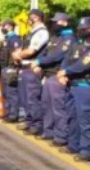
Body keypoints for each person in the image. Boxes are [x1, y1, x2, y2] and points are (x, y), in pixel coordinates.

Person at [30, 12, 76, 142]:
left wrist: (39, 62)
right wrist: (38, 62)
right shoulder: (55, 37)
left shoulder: (69, 38)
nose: (54, 24)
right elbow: (45, 52)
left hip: (57, 75)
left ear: (64, 22)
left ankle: (61, 135)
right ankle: (48, 131)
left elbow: (58, 55)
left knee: (58, 107)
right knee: (46, 104)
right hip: (48, 75)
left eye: (57, 22)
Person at [12, 9, 50, 135]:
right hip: (24, 67)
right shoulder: (31, 32)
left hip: (32, 69)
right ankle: (29, 121)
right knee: (24, 97)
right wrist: (17, 54)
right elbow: (24, 48)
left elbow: (31, 51)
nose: (29, 19)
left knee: (32, 97)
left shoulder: (42, 32)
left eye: (31, 17)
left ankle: (36, 124)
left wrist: (18, 55)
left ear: (38, 18)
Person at [57, 17, 90, 161]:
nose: (82, 31)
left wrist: (66, 72)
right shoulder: (77, 45)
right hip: (72, 84)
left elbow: (83, 64)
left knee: (84, 120)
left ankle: (86, 150)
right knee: (72, 116)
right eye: (81, 28)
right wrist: (62, 73)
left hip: (85, 86)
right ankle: (73, 145)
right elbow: (67, 59)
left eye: (86, 29)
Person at [0, 19, 23, 123]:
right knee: (5, 92)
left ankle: (13, 115)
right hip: (4, 66)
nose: (3, 28)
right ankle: (7, 112)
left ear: (11, 27)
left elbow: (17, 53)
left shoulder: (15, 38)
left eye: (5, 26)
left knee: (11, 92)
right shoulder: (6, 38)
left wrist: (14, 67)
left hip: (11, 67)